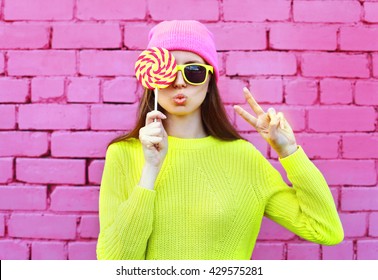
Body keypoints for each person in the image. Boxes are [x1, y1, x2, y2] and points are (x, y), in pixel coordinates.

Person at [96, 20, 344, 260]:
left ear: (209, 79)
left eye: (193, 71)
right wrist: (150, 171)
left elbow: (325, 229)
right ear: (152, 78)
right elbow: (116, 263)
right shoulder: (123, 154)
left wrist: (290, 153)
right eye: (169, 71)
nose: (180, 82)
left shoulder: (244, 157)